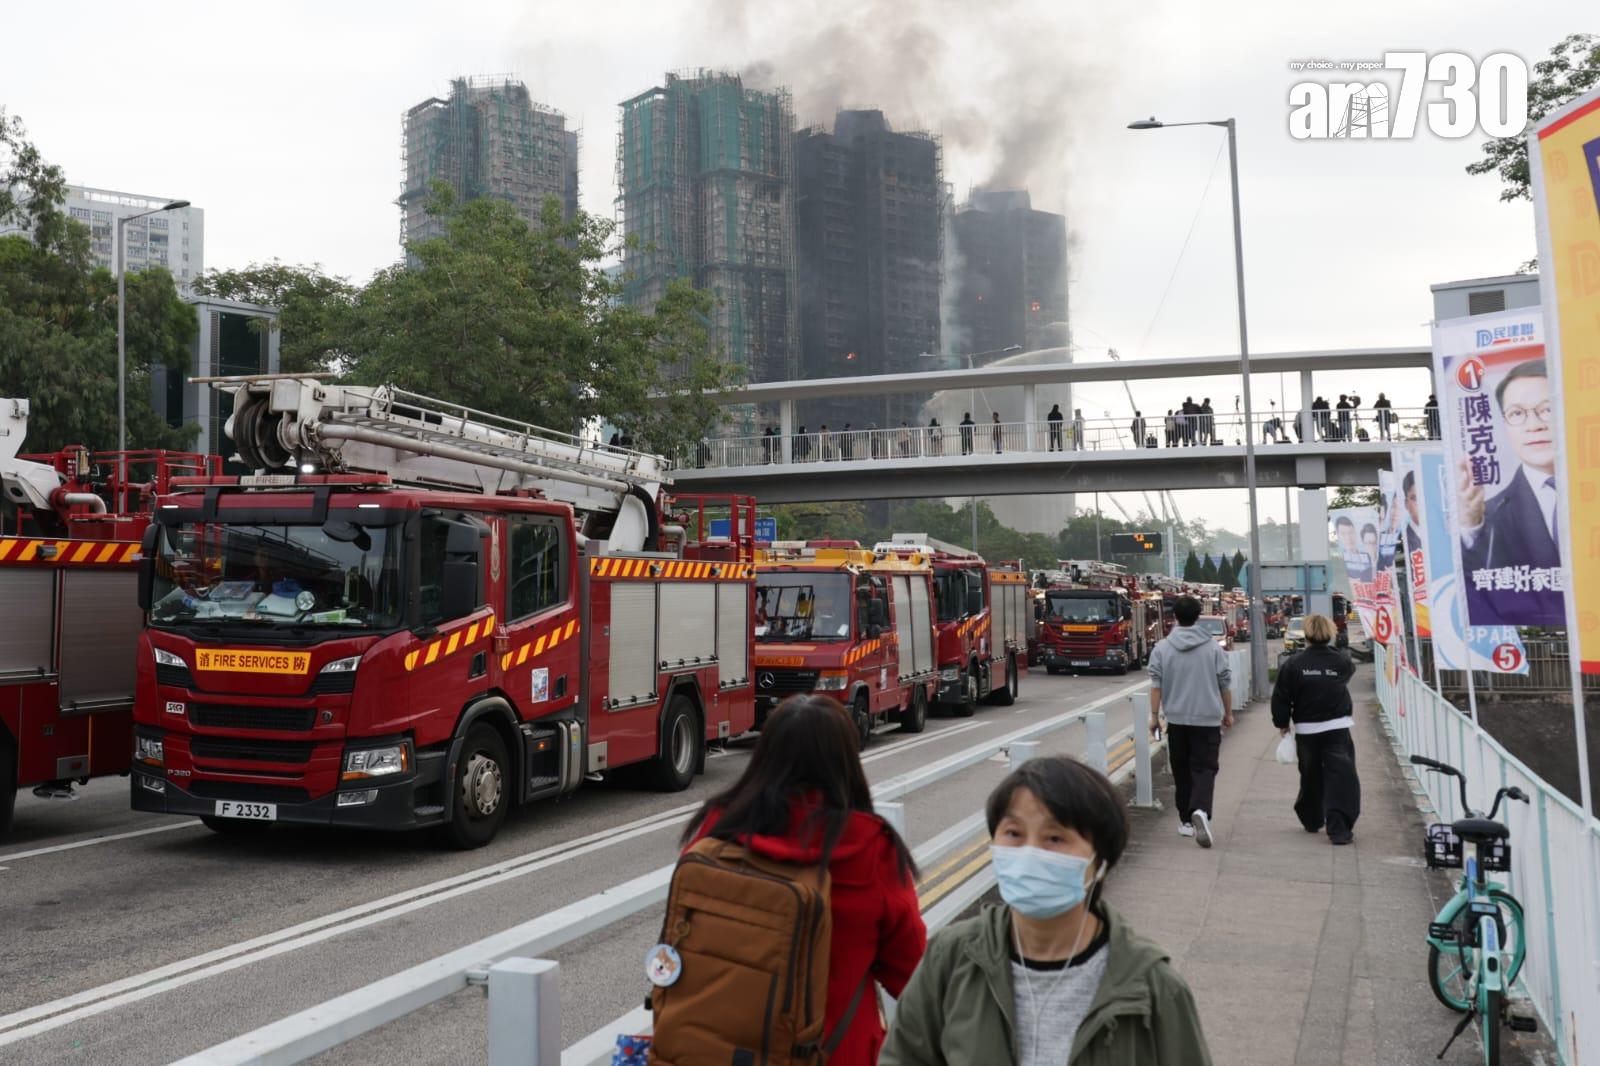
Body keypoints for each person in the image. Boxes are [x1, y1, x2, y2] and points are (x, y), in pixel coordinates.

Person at [881, 757, 1211, 1066]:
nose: (1030, 852)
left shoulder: (1153, 989)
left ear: (1099, 861)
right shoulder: (951, 959)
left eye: (1054, 837)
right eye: (1013, 833)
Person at [681, 696, 926, 1066]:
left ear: (764, 755)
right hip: (833, 1053)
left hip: (716, 1052)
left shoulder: (718, 826)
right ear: (847, 762)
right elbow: (911, 972)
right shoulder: (869, 846)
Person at [1459, 358, 1563, 627]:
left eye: (1547, 410)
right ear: (1504, 425)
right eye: (1517, 414)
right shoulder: (1486, 518)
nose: (1534, 425)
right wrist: (1470, 526)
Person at [1145, 595, 1233, 848]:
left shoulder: (1162, 648)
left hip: (1177, 720)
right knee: (1205, 768)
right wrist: (1228, 713)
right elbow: (1224, 683)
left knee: (1181, 770)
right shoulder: (1212, 648)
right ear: (1198, 617)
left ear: (1174, 616)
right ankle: (1201, 811)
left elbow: (1155, 684)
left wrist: (1154, 716)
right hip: (1207, 720)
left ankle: (1185, 821)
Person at [1271, 614, 1360, 845]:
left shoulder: (1293, 664)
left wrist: (1282, 724)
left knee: (1311, 775)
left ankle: (1311, 818)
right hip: (1337, 727)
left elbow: (1281, 696)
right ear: (1330, 633)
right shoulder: (1341, 661)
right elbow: (1348, 673)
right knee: (1341, 776)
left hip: (1306, 730)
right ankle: (1339, 829)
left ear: (1306, 634)